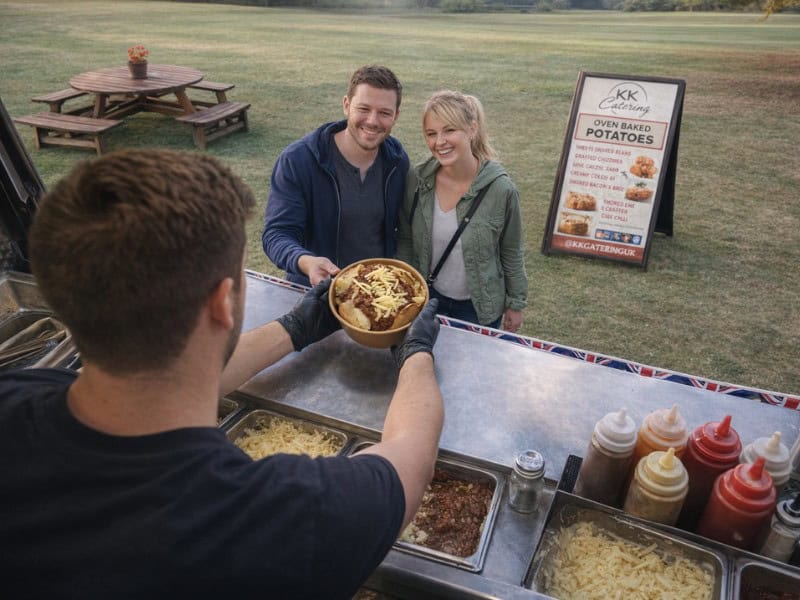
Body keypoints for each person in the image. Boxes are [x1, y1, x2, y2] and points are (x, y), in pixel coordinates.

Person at [0, 149, 443, 599]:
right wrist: (416, 351)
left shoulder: (14, 398)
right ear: (220, 301)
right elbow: (412, 456)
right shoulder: (267, 518)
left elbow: (166, 385)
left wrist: (293, 330)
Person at [262, 64, 410, 287]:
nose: (372, 121)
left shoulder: (397, 161)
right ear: (346, 105)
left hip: (375, 294)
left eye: (384, 113)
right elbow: (277, 234)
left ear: (396, 116)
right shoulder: (298, 160)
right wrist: (306, 262)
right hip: (314, 291)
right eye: (363, 109)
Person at [397, 90, 528, 332]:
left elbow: (511, 250)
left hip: (478, 309)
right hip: (426, 298)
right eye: (431, 134)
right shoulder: (417, 180)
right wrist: (404, 288)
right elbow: (405, 237)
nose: (440, 142)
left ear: (472, 129)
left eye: (449, 130)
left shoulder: (501, 189)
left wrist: (515, 305)